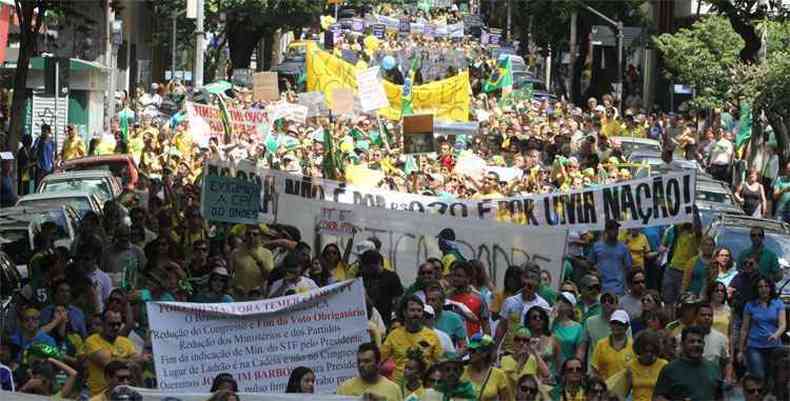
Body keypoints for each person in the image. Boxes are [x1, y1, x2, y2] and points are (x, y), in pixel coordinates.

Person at [84, 309, 145, 396]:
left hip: (123, 394)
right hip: (99, 395)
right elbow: (109, 365)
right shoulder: (92, 341)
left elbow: (137, 364)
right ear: (103, 324)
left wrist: (115, 358)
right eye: (111, 324)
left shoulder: (126, 342)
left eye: (118, 324)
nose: (116, 327)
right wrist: (128, 360)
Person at [380, 296, 442, 383]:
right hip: (400, 385)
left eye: (419, 310)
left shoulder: (432, 335)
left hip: (423, 386)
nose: (416, 314)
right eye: (412, 310)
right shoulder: (394, 335)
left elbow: (439, 362)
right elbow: (379, 360)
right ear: (404, 312)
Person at [653, 326, 723, 401]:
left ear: (704, 344)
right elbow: (657, 398)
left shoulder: (714, 368)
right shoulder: (670, 369)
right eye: (691, 341)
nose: (696, 345)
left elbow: (720, 397)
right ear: (682, 344)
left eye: (699, 341)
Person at [738, 276, 786, 381]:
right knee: (759, 377)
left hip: (774, 346)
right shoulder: (750, 305)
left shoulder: (778, 303)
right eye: (760, 287)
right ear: (756, 289)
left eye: (766, 286)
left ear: (770, 288)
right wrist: (740, 350)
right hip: (755, 346)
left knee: (775, 379)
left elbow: (783, 325)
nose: (763, 289)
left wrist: (776, 335)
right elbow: (744, 329)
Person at [496, 262, 550, 355]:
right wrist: (494, 348)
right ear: (521, 280)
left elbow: (545, 332)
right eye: (526, 277)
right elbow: (502, 326)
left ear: (538, 283)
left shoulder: (543, 305)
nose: (528, 281)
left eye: (533, 278)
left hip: (531, 354)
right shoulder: (510, 301)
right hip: (509, 352)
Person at [336, 342, 402, 401]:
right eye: (359, 361)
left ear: (378, 363)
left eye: (367, 361)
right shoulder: (345, 388)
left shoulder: (393, 389)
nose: (361, 365)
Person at [660, 222, 702, 306]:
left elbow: (697, 228)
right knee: (668, 299)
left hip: (685, 272)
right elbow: (676, 218)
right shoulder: (679, 234)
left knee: (681, 300)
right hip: (672, 268)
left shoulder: (696, 237)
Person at [359, 250, 403, 328]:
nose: (364, 270)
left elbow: (398, 301)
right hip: (366, 319)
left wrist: (395, 320)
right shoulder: (361, 276)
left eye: (367, 267)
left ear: (377, 263)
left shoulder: (391, 277)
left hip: (386, 320)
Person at [462, 333, 512, 401]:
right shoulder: (460, 371)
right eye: (469, 350)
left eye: (473, 350)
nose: (470, 354)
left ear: (485, 353)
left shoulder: (499, 375)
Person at [229, 225, 274, 299]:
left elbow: (268, 276)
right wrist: (233, 287)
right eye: (248, 234)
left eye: (255, 234)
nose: (251, 236)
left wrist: (258, 260)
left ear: (260, 237)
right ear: (245, 236)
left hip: (256, 296)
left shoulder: (267, 253)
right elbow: (230, 274)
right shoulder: (235, 252)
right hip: (238, 295)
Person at [589, 220, 632, 296]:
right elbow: (589, 265)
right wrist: (595, 274)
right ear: (606, 231)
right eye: (611, 229)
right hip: (600, 289)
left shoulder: (624, 248)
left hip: (619, 290)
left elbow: (628, 269)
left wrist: (626, 286)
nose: (615, 231)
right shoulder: (596, 246)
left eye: (616, 229)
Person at [447, 260, 491, 336]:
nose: (455, 278)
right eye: (453, 275)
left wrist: (486, 343)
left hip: (473, 344)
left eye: (459, 276)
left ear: (468, 278)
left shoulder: (479, 298)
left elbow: (486, 325)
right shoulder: (446, 296)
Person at [424, 282, 468, 354]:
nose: (429, 303)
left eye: (433, 300)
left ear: (442, 302)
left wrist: (454, 356)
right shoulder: (421, 317)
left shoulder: (454, 318)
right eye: (427, 300)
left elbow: (464, 345)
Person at [694, 303, 734, 383]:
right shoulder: (685, 336)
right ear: (696, 317)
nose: (707, 318)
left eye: (710, 315)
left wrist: (728, 377)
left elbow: (727, 362)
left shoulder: (721, 338)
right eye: (703, 315)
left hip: (713, 382)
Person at [591, 309, 634, 380]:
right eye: (614, 323)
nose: (616, 326)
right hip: (605, 388)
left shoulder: (633, 345)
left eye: (620, 323)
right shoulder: (601, 344)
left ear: (627, 326)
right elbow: (595, 368)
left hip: (627, 388)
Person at [551, 292, 584, 374]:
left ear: (571, 307)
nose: (560, 302)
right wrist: (551, 318)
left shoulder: (578, 327)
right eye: (559, 299)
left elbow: (580, 352)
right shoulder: (549, 322)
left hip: (567, 370)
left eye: (564, 301)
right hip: (549, 369)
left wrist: (573, 370)